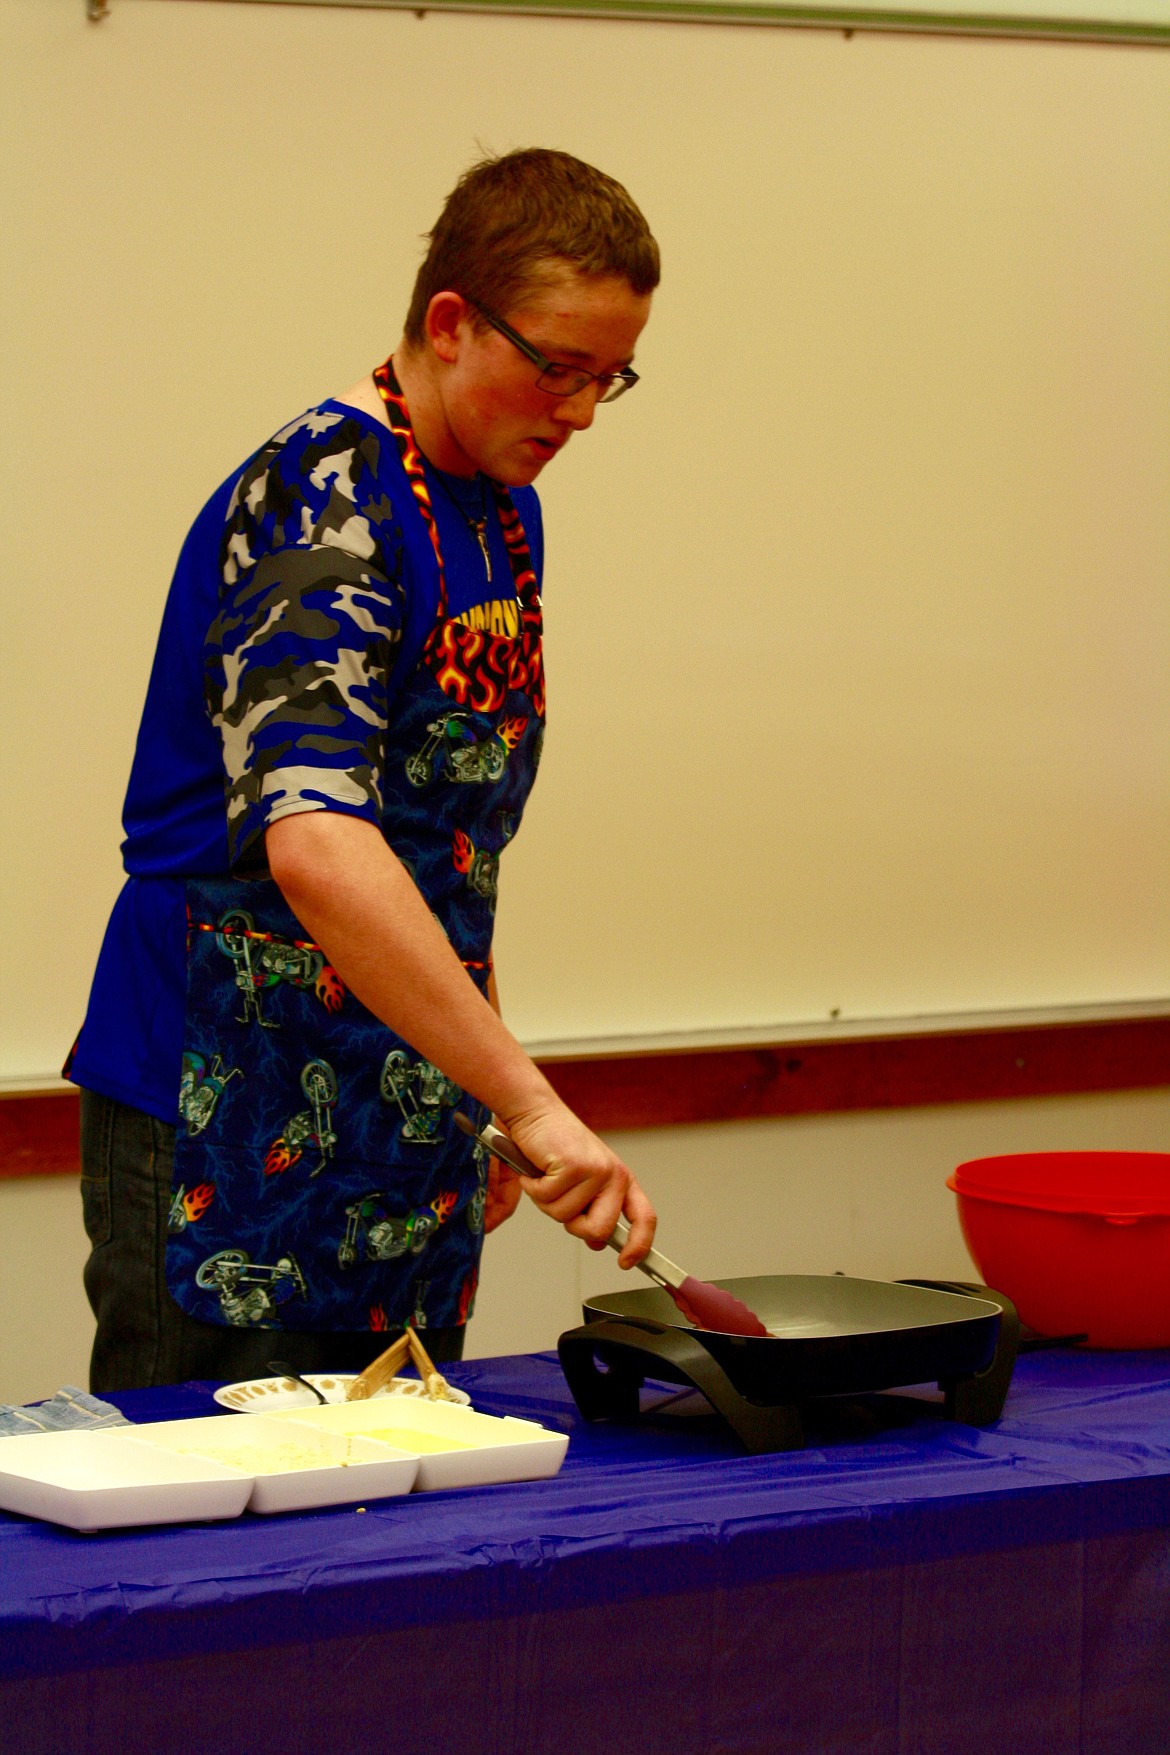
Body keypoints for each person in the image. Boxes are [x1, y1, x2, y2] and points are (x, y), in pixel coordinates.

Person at [67, 148, 660, 1392]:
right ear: (451, 323)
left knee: (401, 1522)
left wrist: (479, 1084)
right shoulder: (319, 502)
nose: (583, 413)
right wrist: (535, 1100)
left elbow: (444, 846)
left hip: (399, 1104)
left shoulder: (502, 505)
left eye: (614, 379)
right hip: (227, 1099)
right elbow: (319, 841)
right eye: (558, 367)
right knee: (218, 1549)